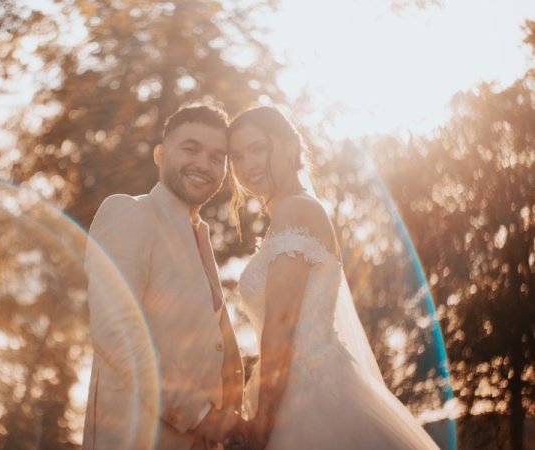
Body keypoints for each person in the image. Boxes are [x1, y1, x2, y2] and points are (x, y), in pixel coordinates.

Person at [225, 106, 440, 449]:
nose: (246, 164)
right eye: (236, 155)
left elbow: (281, 323)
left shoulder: (293, 209)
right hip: (302, 385)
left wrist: (264, 422)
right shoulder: (297, 208)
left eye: (258, 148)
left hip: (306, 402)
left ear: (290, 146)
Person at [82, 104, 245, 450]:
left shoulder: (199, 235)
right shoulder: (130, 211)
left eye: (218, 157)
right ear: (160, 154)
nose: (204, 163)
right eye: (191, 148)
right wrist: (200, 416)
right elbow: (116, 332)